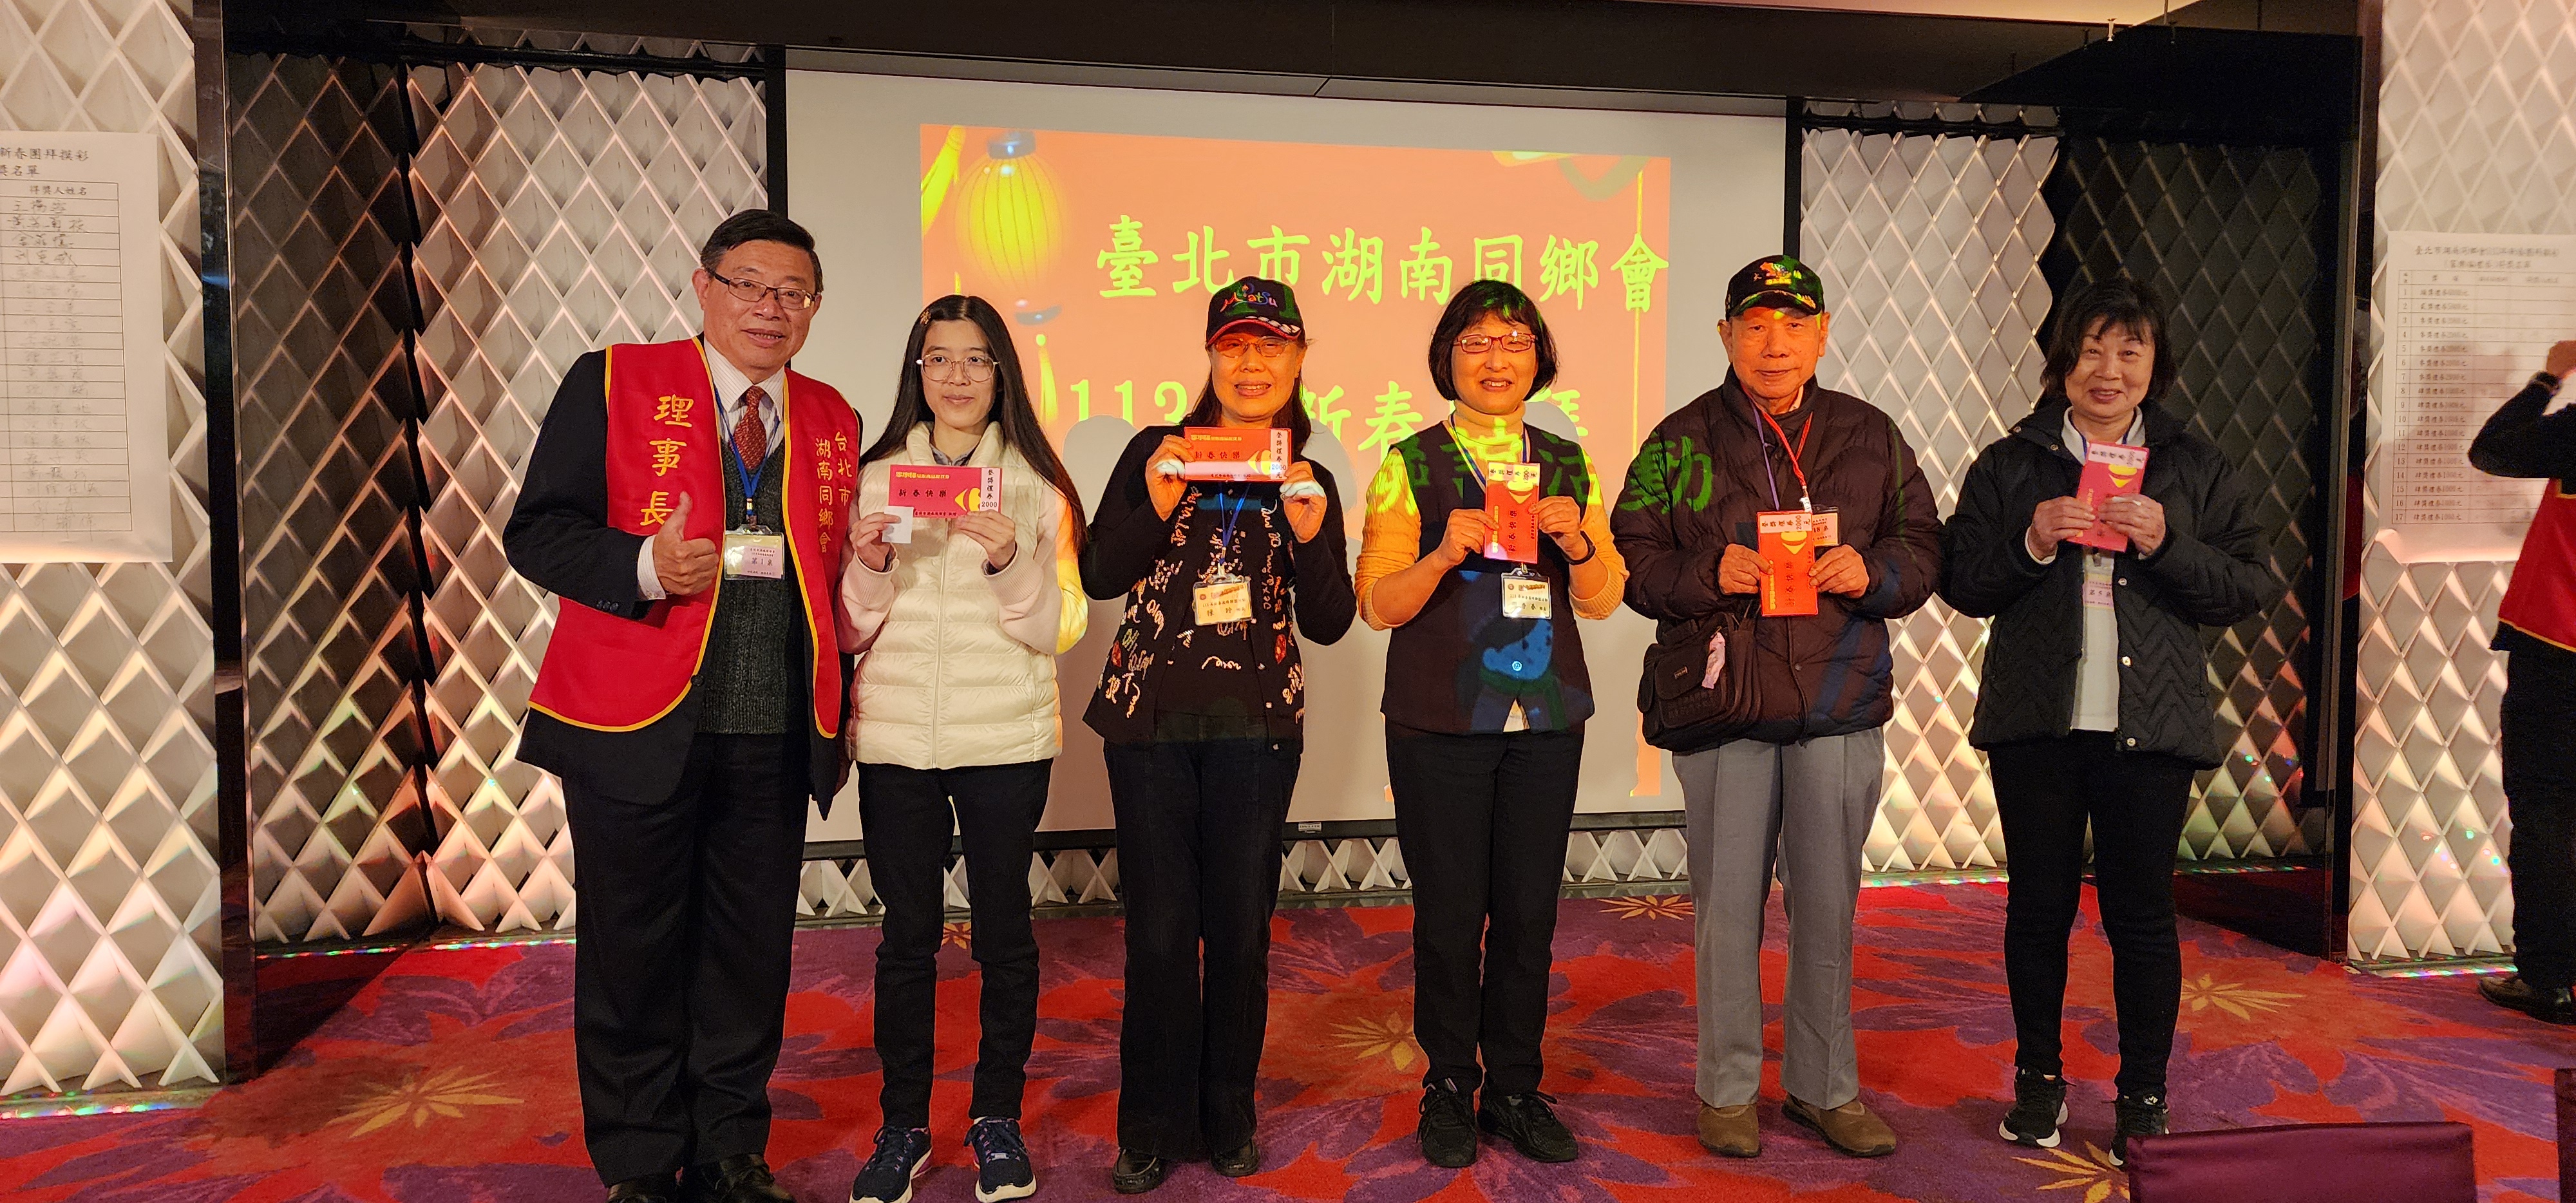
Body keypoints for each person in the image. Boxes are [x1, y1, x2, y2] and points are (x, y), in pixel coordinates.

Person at [504, 209, 858, 1203]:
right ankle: (637, 1159)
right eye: (750, 285)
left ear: (814, 309)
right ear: (704, 289)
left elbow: (826, 568)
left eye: (794, 293)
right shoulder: (615, 381)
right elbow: (538, 532)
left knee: (750, 950)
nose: (771, 308)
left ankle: (730, 1147)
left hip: (773, 728)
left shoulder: (831, 415)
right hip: (634, 720)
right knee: (634, 948)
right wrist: (644, 569)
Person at [1940, 278, 2281, 1164]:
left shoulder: (2192, 464)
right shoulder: (2012, 462)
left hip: (2151, 727)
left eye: (2130, 351)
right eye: (2092, 349)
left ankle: (2143, 1094)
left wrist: (2168, 542)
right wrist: (2032, 541)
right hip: (2037, 723)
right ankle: (2038, 1080)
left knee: (2142, 917)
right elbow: (1962, 579)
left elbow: (2249, 584)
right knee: (2037, 909)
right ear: (2062, 360)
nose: (2109, 369)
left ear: (2154, 365)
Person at [1611, 255, 1940, 1162]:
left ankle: (1824, 1087)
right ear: (1725, 336)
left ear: (1822, 334)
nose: (1773, 344)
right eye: (1754, 326)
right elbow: (1630, 554)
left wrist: (1871, 570)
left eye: (1793, 325)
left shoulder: (1870, 434)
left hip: (1839, 699)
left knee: (1829, 908)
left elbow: (1924, 546)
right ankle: (1725, 1090)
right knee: (1726, 909)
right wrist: (1704, 570)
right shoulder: (1680, 439)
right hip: (1728, 705)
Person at [1082, 278, 1356, 1193]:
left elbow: (1330, 623)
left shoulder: (1307, 473)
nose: (1251, 363)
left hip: (1258, 729)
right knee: (1160, 934)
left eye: (1271, 345)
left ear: (1299, 357)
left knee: (1240, 934)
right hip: (1150, 723)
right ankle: (1150, 1124)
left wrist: (1311, 534)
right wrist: (1157, 503)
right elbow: (1098, 571)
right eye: (1234, 345)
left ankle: (1229, 1115)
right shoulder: (1155, 451)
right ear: (1208, 354)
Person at [1354, 279, 1629, 1169]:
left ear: (1539, 359)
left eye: (1514, 341)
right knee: (1446, 917)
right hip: (1440, 719)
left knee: (1526, 914)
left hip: (1545, 719)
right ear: (1448, 359)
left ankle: (1513, 1085)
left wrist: (1577, 541)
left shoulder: (1567, 463)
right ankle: (1446, 1082)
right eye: (1476, 342)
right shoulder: (1410, 462)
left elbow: (1604, 598)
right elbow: (1377, 604)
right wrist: (1443, 551)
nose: (1496, 358)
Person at [839, 296, 1091, 1203]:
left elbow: (1059, 628)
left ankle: (996, 1117)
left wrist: (1010, 561)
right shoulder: (874, 480)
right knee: (905, 939)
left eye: (976, 359)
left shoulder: (1037, 487)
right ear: (917, 371)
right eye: (939, 359)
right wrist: (869, 564)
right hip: (897, 741)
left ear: (1000, 373)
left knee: (1004, 934)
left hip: (1005, 740)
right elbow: (849, 631)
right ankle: (902, 1125)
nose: (956, 377)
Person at [2467, 337, 2576, 1026]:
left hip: (2557, 643)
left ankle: (2548, 978)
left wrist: (2548, 375)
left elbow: (2493, 448)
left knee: (2546, 809)